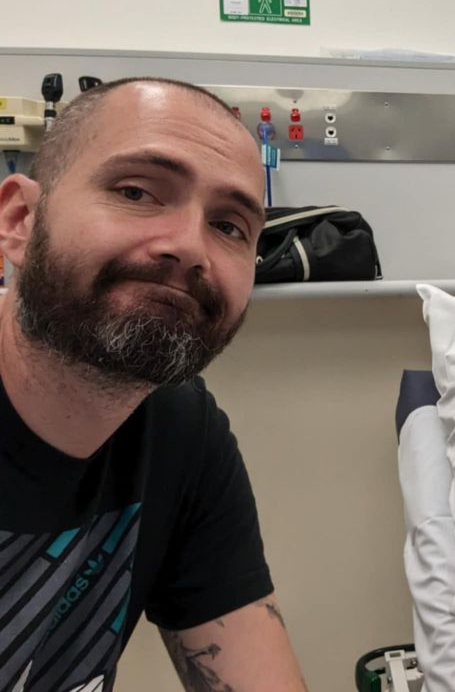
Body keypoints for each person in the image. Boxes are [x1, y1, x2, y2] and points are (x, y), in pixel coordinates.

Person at [0, 78, 307, 690]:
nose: (189, 247)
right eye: (136, 192)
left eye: (229, 226)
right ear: (20, 220)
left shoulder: (180, 434)